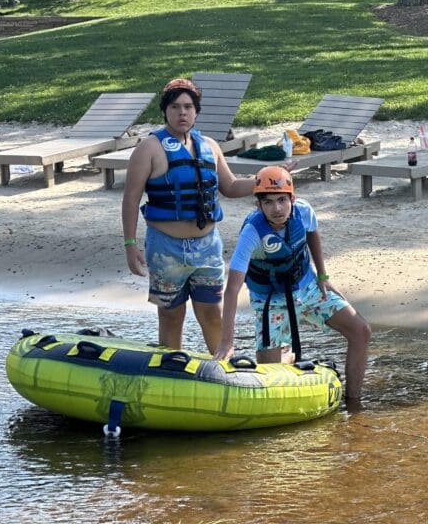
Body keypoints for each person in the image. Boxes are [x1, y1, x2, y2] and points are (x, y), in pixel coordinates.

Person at [122, 77, 263, 354]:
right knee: (172, 315)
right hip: (165, 247)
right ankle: (173, 369)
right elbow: (131, 198)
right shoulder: (149, 148)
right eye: (175, 107)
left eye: (188, 106)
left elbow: (231, 187)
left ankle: (223, 370)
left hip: (207, 246)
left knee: (213, 313)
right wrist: (130, 245)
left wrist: (269, 178)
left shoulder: (209, 146)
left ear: (196, 111)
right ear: (165, 111)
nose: (182, 113)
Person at [214, 166, 371, 403]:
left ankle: (353, 404)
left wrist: (323, 276)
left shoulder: (304, 211)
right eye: (268, 202)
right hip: (271, 301)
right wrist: (227, 342)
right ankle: (284, 356)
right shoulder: (251, 233)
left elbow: (312, 234)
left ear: (292, 199)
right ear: (259, 206)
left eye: (281, 200)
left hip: (307, 287)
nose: (276, 208)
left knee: (361, 331)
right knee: (269, 374)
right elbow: (233, 288)